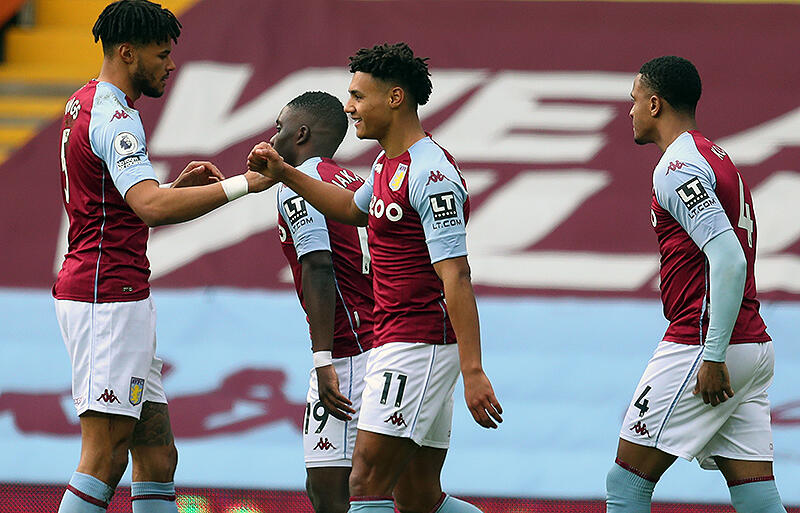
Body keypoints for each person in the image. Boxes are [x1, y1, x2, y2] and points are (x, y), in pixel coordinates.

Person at [248, 42, 503, 513]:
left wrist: (473, 370)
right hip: (398, 340)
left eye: (358, 96)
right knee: (418, 498)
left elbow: (457, 276)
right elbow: (350, 208)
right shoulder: (387, 165)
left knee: (364, 482)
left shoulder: (431, 174)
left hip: (419, 343)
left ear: (395, 98)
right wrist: (284, 172)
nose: (349, 108)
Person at [53, 1, 271, 512]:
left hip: (115, 292)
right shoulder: (116, 118)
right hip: (106, 298)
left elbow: (117, 206)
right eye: (161, 54)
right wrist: (245, 184)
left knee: (156, 456)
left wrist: (175, 189)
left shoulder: (84, 101)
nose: (171, 65)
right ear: (127, 53)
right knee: (104, 458)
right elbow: (149, 207)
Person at [606, 56, 786, 513]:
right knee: (757, 496)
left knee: (626, 484)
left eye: (634, 100)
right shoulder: (715, 157)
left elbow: (728, 259)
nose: (629, 110)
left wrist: (713, 354)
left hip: (703, 344)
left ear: (655, 104)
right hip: (752, 344)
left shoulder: (677, 167)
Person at [272, 91, 375, 513]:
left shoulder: (301, 185)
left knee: (332, 493)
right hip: (377, 340)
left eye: (279, 128)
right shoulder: (352, 181)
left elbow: (318, 265)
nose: (273, 137)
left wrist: (323, 358)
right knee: (393, 491)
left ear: (301, 134)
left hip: (348, 354)